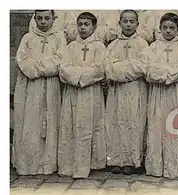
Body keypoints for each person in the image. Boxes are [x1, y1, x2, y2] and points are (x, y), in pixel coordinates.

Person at [13, 10, 66, 175]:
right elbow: (22, 59)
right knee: (30, 121)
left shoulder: (59, 38)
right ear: (34, 19)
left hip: (51, 85)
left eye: (47, 18)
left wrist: (38, 67)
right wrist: (35, 70)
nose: (43, 22)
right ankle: (28, 163)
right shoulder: (28, 38)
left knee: (49, 121)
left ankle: (47, 164)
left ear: (53, 19)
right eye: (39, 18)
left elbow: (60, 60)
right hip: (30, 86)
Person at [57, 12, 107, 178]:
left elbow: (100, 69)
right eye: (80, 24)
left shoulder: (99, 47)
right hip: (73, 92)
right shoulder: (70, 47)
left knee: (89, 125)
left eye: (86, 24)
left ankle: (90, 164)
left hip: (91, 92)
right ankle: (68, 165)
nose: (83, 28)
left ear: (94, 27)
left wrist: (81, 77)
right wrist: (77, 78)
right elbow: (63, 67)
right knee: (70, 126)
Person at [104, 10, 151, 175]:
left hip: (135, 89)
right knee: (115, 122)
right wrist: (126, 67)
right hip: (117, 90)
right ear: (120, 23)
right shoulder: (113, 45)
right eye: (125, 21)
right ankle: (116, 160)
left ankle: (132, 161)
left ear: (137, 24)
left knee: (134, 123)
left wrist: (121, 69)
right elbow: (108, 67)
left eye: (132, 22)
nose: (128, 25)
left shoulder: (142, 44)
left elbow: (142, 67)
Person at [145, 13, 178, 178]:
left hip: (175, 92)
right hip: (158, 92)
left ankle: (172, 167)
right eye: (165, 27)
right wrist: (167, 74)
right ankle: (155, 167)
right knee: (156, 125)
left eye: (172, 28)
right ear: (160, 28)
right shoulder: (153, 47)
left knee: (173, 125)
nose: (168, 31)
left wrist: (165, 74)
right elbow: (149, 69)